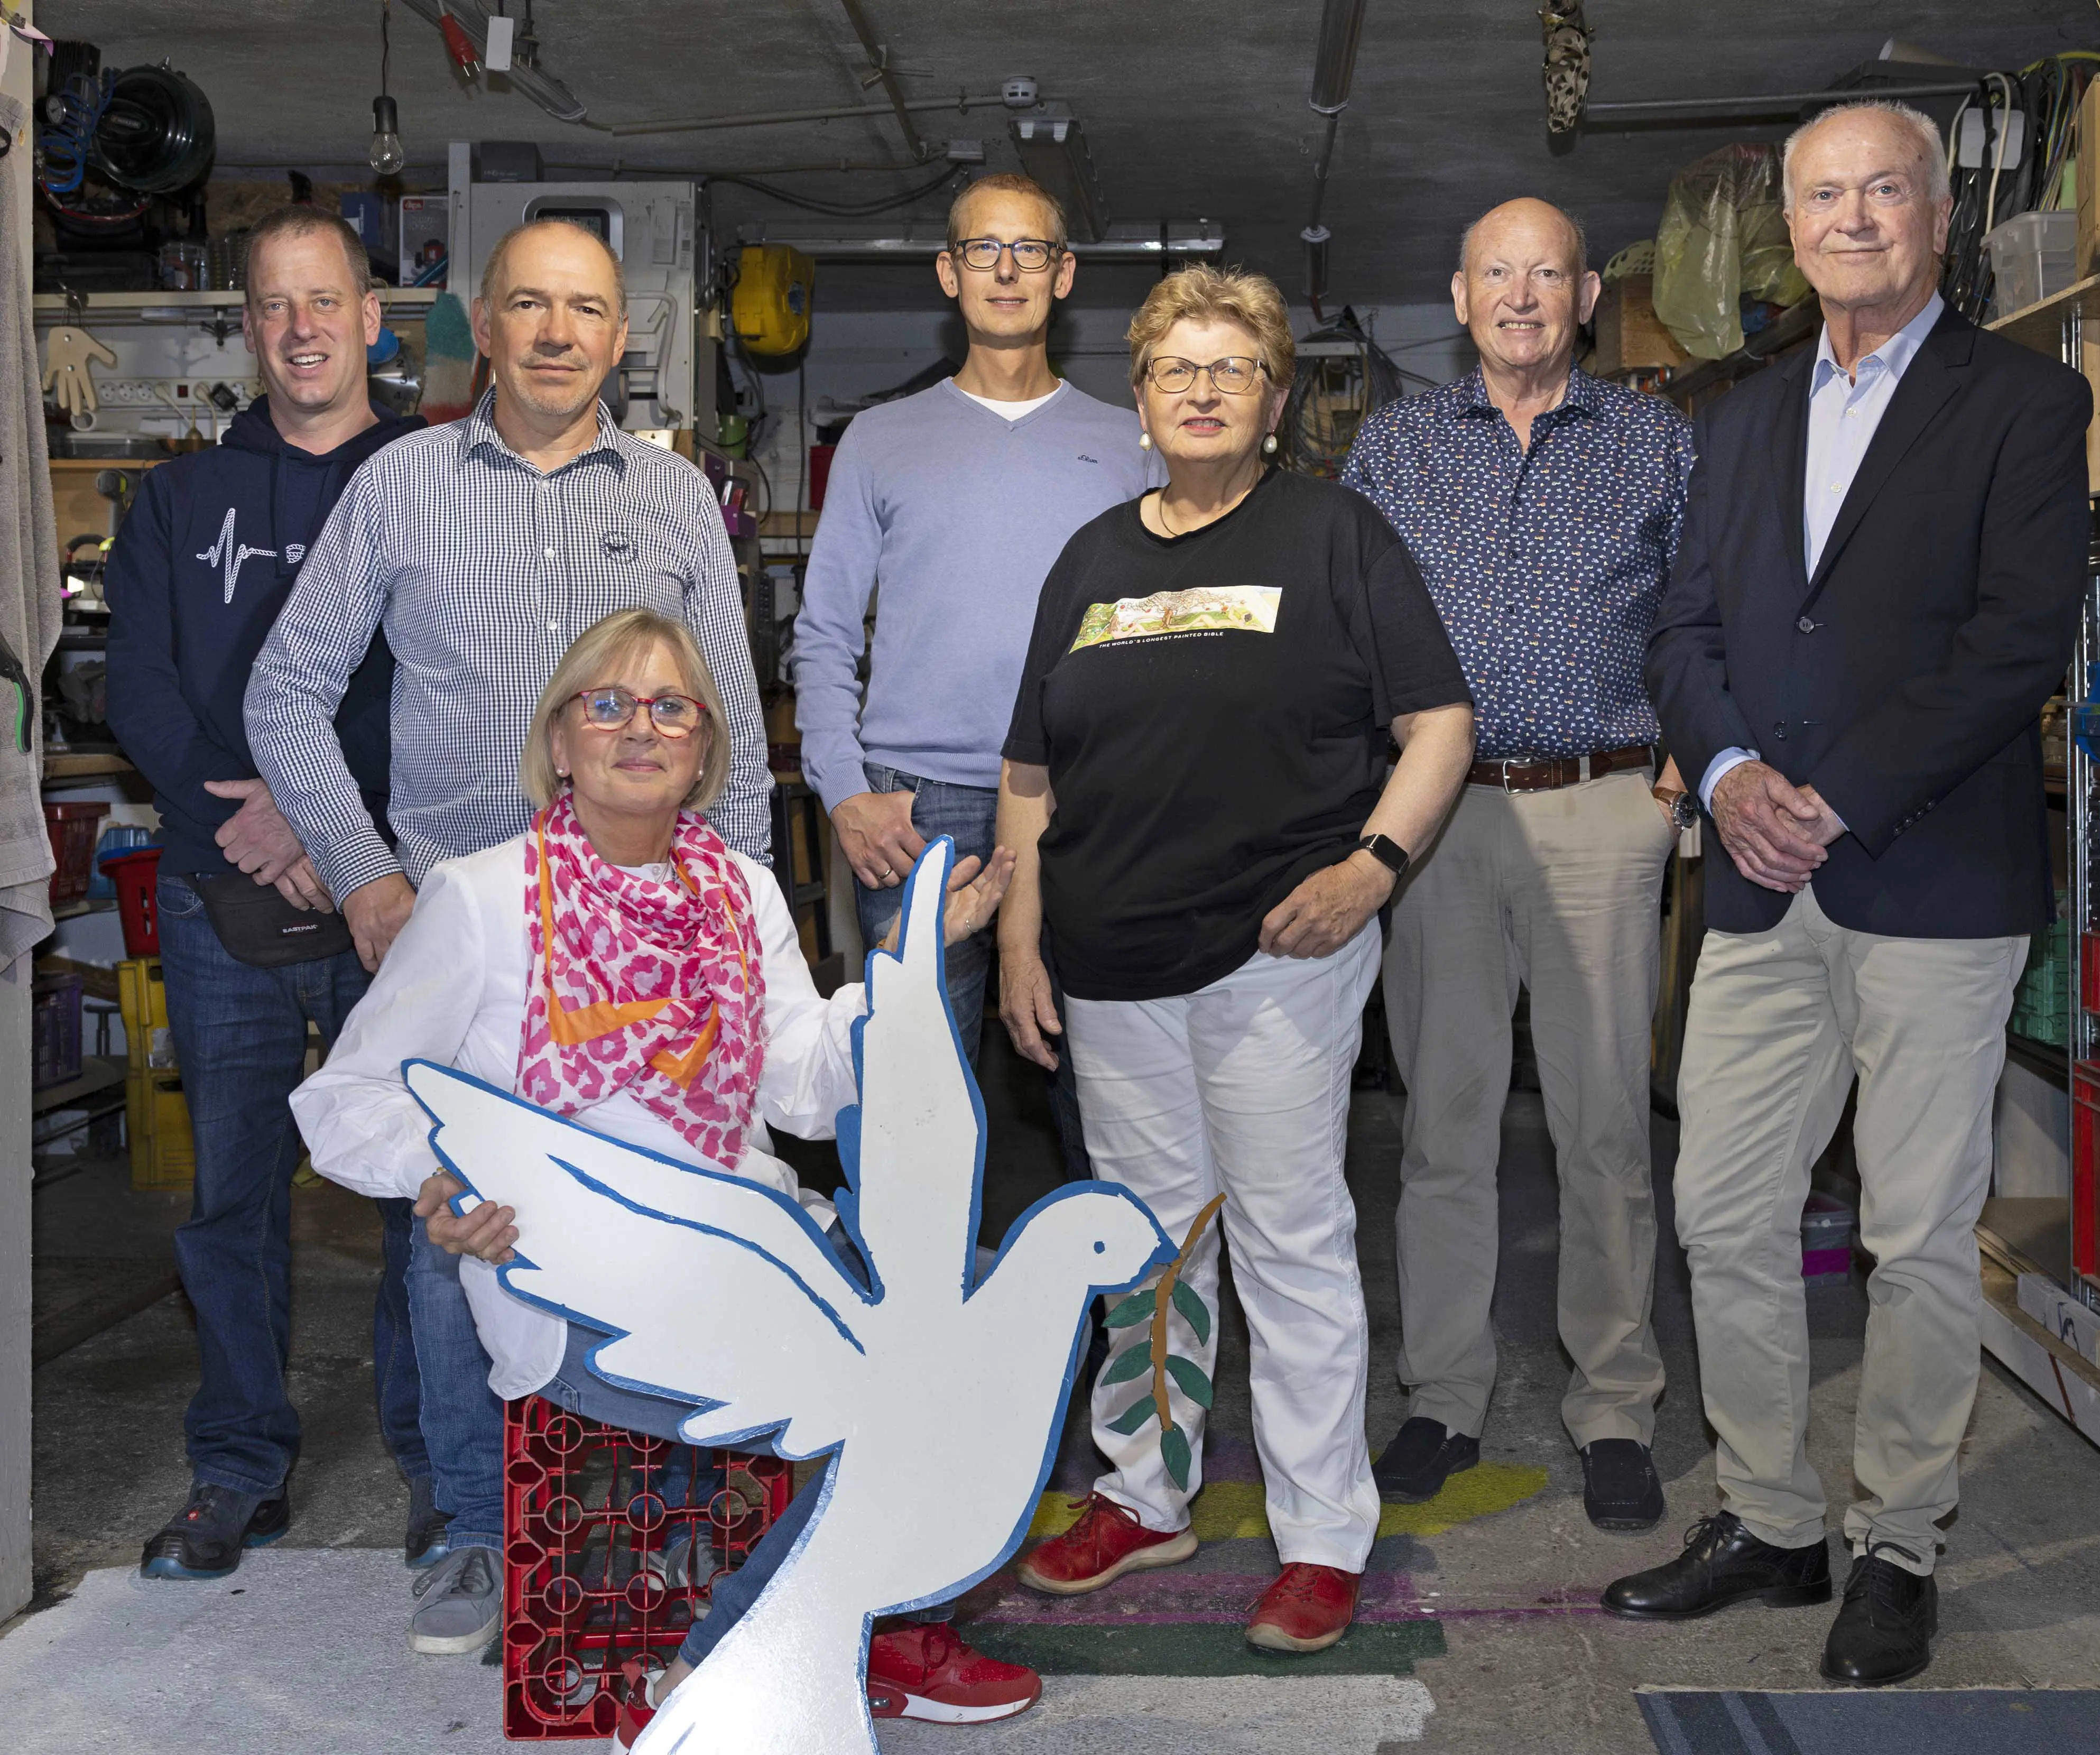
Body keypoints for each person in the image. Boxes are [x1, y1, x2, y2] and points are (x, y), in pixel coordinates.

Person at [292, 608, 1041, 1732]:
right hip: (573, 1280)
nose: (639, 728)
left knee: (988, 1322)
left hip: (749, 1251)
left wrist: (908, 972)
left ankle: (735, 1645)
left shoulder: (740, 892)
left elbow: (798, 1083)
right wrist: (441, 1174)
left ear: (702, 752)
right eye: (608, 703)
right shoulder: (482, 897)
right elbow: (345, 1100)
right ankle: (799, 1638)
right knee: (907, 1390)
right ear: (559, 741)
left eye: (671, 708)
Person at [246, 216, 777, 1653]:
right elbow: (287, 690)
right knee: (451, 1237)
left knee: (668, 1221)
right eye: (527, 304)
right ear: (480, 326)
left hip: (649, 940)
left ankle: (670, 1517)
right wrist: (365, 879)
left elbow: (723, 720)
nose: (554, 332)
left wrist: (747, 929)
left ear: (620, 338)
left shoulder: (671, 501)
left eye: (585, 309)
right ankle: (476, 1531)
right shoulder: (400, 487)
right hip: (467, 927)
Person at [1613, 101, 2089, 1687]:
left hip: (1928, 875)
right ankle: (1767, 1516)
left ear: (1935, 215)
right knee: (1720, 1209)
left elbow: (2015, 641)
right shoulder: (1733, 420)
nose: (1853, 217)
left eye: (1884, 189)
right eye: (1823, 195)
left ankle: (1897, 1537)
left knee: (1911, 1231)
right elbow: (1680, 631)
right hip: (1755, 878)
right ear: (1790, 229)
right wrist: (1735, 772)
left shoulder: (2026, 400)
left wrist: (1839, 795)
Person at [1000, 265, 1474, 1655]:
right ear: (1139, 401)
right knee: (1144, 1250)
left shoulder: (1335, 535)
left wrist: (1368, 866)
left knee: (1285, 1236)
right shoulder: (1088, 558)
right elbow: (1028, 772)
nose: (1199, 390)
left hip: (1278, 949)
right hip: (1106, 960)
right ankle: (1143, 1493)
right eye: (1172, 369)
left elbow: (1437, 722)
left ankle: (1321, 1532)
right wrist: (1024, 932)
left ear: (1273, 401)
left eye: (1229, 369)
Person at [1340, 198, 1696, 1527]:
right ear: (1459, 293)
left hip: (1605, 805)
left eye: (1548, 273)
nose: (1524, 295)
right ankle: (1441, 1397)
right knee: (1441, 1127)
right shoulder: (1395, 444)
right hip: (1438, 822)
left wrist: (1683, 761)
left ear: (1588, 294)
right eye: (1500, 273)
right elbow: (1349, 627)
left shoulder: (1657, 442)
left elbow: (1699, 612)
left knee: (1605, 1126)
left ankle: (1615, 1406)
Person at [103, 205, 440, 1584]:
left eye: (324, 301)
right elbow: (137, 685)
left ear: (373, 318)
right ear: (250, 329)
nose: (299, 327)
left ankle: (437, 1462)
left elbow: (439, 684)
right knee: (230, 1192)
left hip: (390, 900)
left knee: (420, 1188)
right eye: (271, 306)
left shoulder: (428, 486)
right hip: (215, 891)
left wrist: (323, 822)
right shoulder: (179, 503)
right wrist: (236, 819)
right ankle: (240, 1463)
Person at [790, 172, 1159, 1074]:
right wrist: (844, 790)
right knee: (914, 1097)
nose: (1005, 270)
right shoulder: (877, 439)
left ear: (1062, 274)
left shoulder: (1133, 441)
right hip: (916, 811)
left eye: (1028, 250)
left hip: (1083, 800)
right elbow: (825, 631)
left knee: (1106, 1090)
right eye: (981, 250)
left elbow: (1160, 639)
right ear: (948, 273)